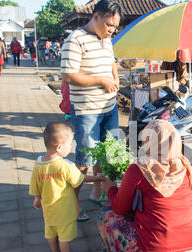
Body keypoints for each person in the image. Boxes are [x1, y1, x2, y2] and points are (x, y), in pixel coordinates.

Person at [98, 119, 192, 252]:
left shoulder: (139, 169)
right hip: (190, 245)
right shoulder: (184, 164)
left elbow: (120, 207)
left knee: (106, 215)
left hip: (157, 251)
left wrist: (109, 188)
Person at [61, 0, 122, 207]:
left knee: (108, 154)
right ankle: (72, 205)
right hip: (87, 110)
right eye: (109, 25)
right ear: (95, 17)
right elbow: (68, 75)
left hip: (109, 108)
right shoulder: (75, 39)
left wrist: (115, 77)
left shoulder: (107, 39)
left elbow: (111, 61)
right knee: (85, 159)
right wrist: (101, 80)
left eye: (115, 26)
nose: (112, 31)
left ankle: (98, 191)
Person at [29, 122, 105, 252]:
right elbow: (79, 179)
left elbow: (35, 185)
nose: (71, 147)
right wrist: (97, 178)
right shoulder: (65, 165)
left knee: (50, 231)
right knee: (64, 235)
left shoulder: (38, 165)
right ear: (59, 147)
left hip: (48, 208)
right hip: (64, 209)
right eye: (70, 144)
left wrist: (37, 199)